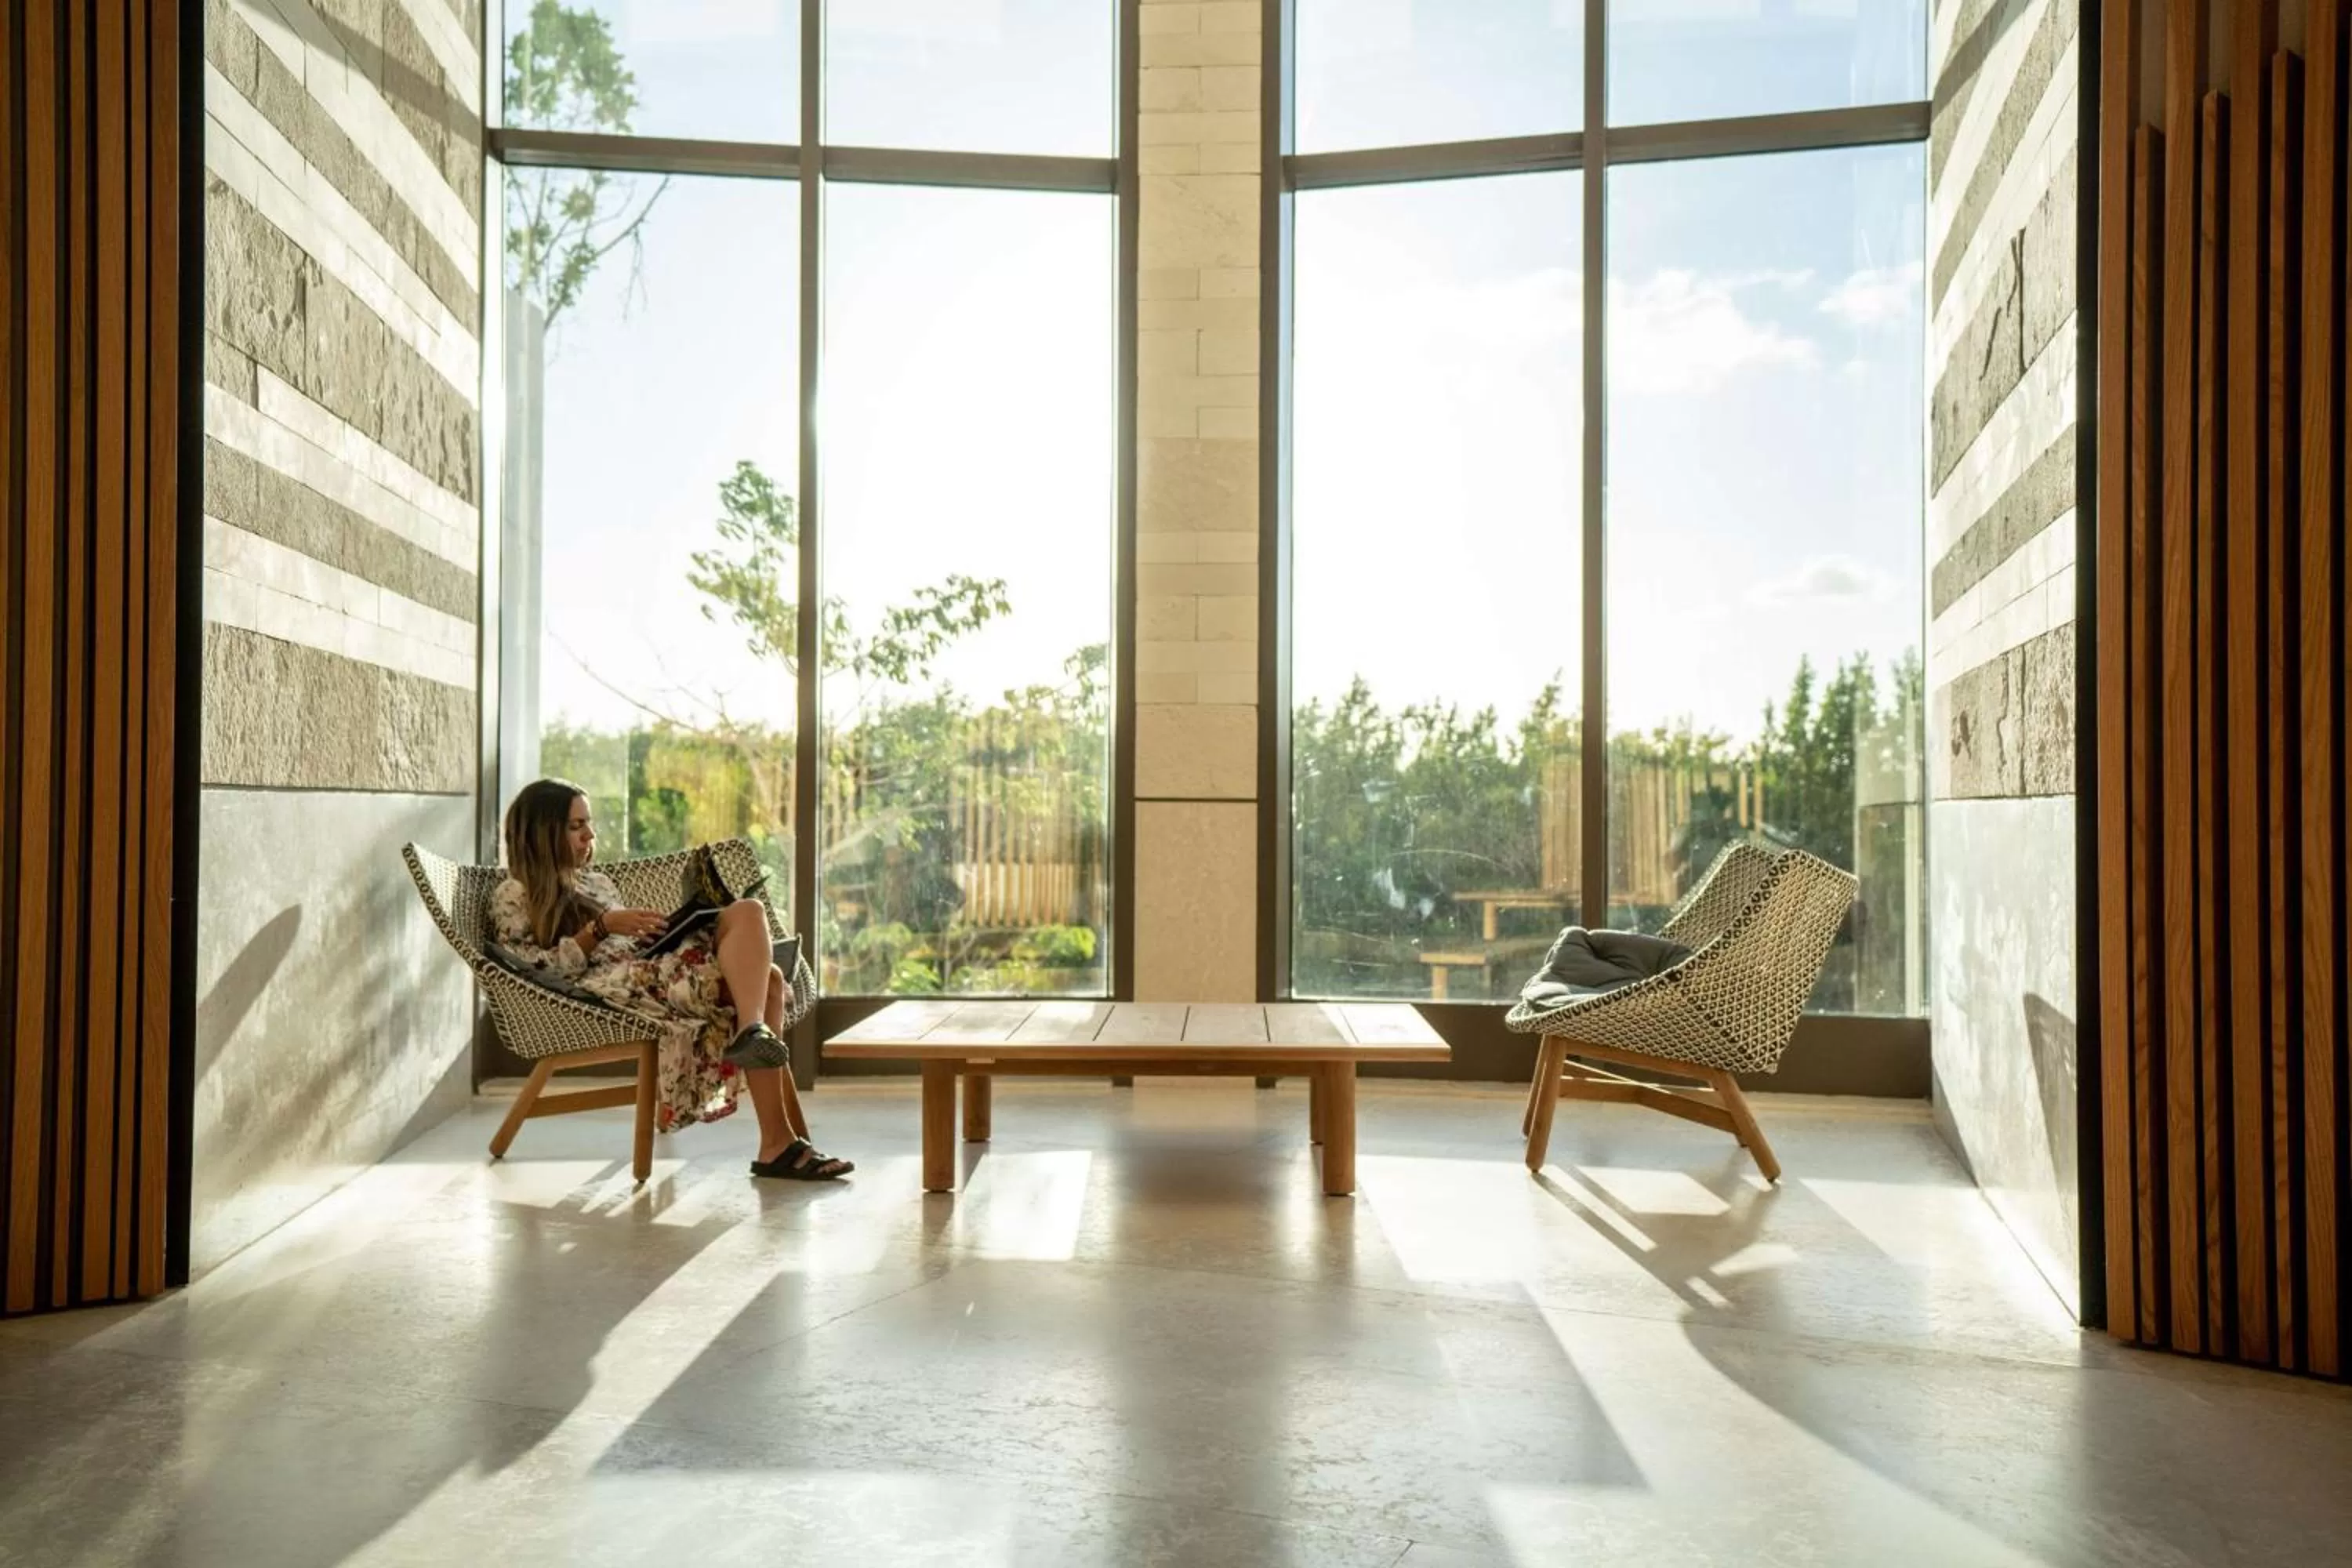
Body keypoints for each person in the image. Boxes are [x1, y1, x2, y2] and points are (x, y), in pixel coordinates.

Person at [492, 778, 851, 1181]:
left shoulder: (596, 882)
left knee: (747, 910)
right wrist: (602, 927)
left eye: (588, 824)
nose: (590, 835)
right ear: (541, 832)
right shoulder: (514, 894)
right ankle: (776, 1141)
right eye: (576, 826)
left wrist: (658, 932)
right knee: (767, 981)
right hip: (610, 989)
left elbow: (626, 944)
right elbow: (535, 971)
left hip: (650, 967)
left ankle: (754, 1039)